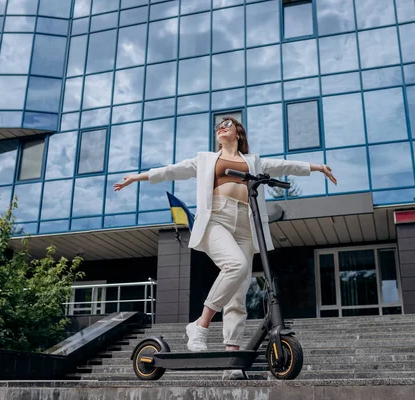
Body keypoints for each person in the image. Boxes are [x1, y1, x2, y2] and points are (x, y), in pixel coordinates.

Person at [113, 117, 337, 379]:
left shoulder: (253, 161)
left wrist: (318, 167)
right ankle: (200, 325)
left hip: (246, 223)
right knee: (237, 265)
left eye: (227, 124)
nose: (221, 126)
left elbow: (283, 164)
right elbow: (172, 170)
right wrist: (138, 176)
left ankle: (233, 358)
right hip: (216, 219)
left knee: (238, 293)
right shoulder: (206, 159)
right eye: (218, 125)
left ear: (238, 133)